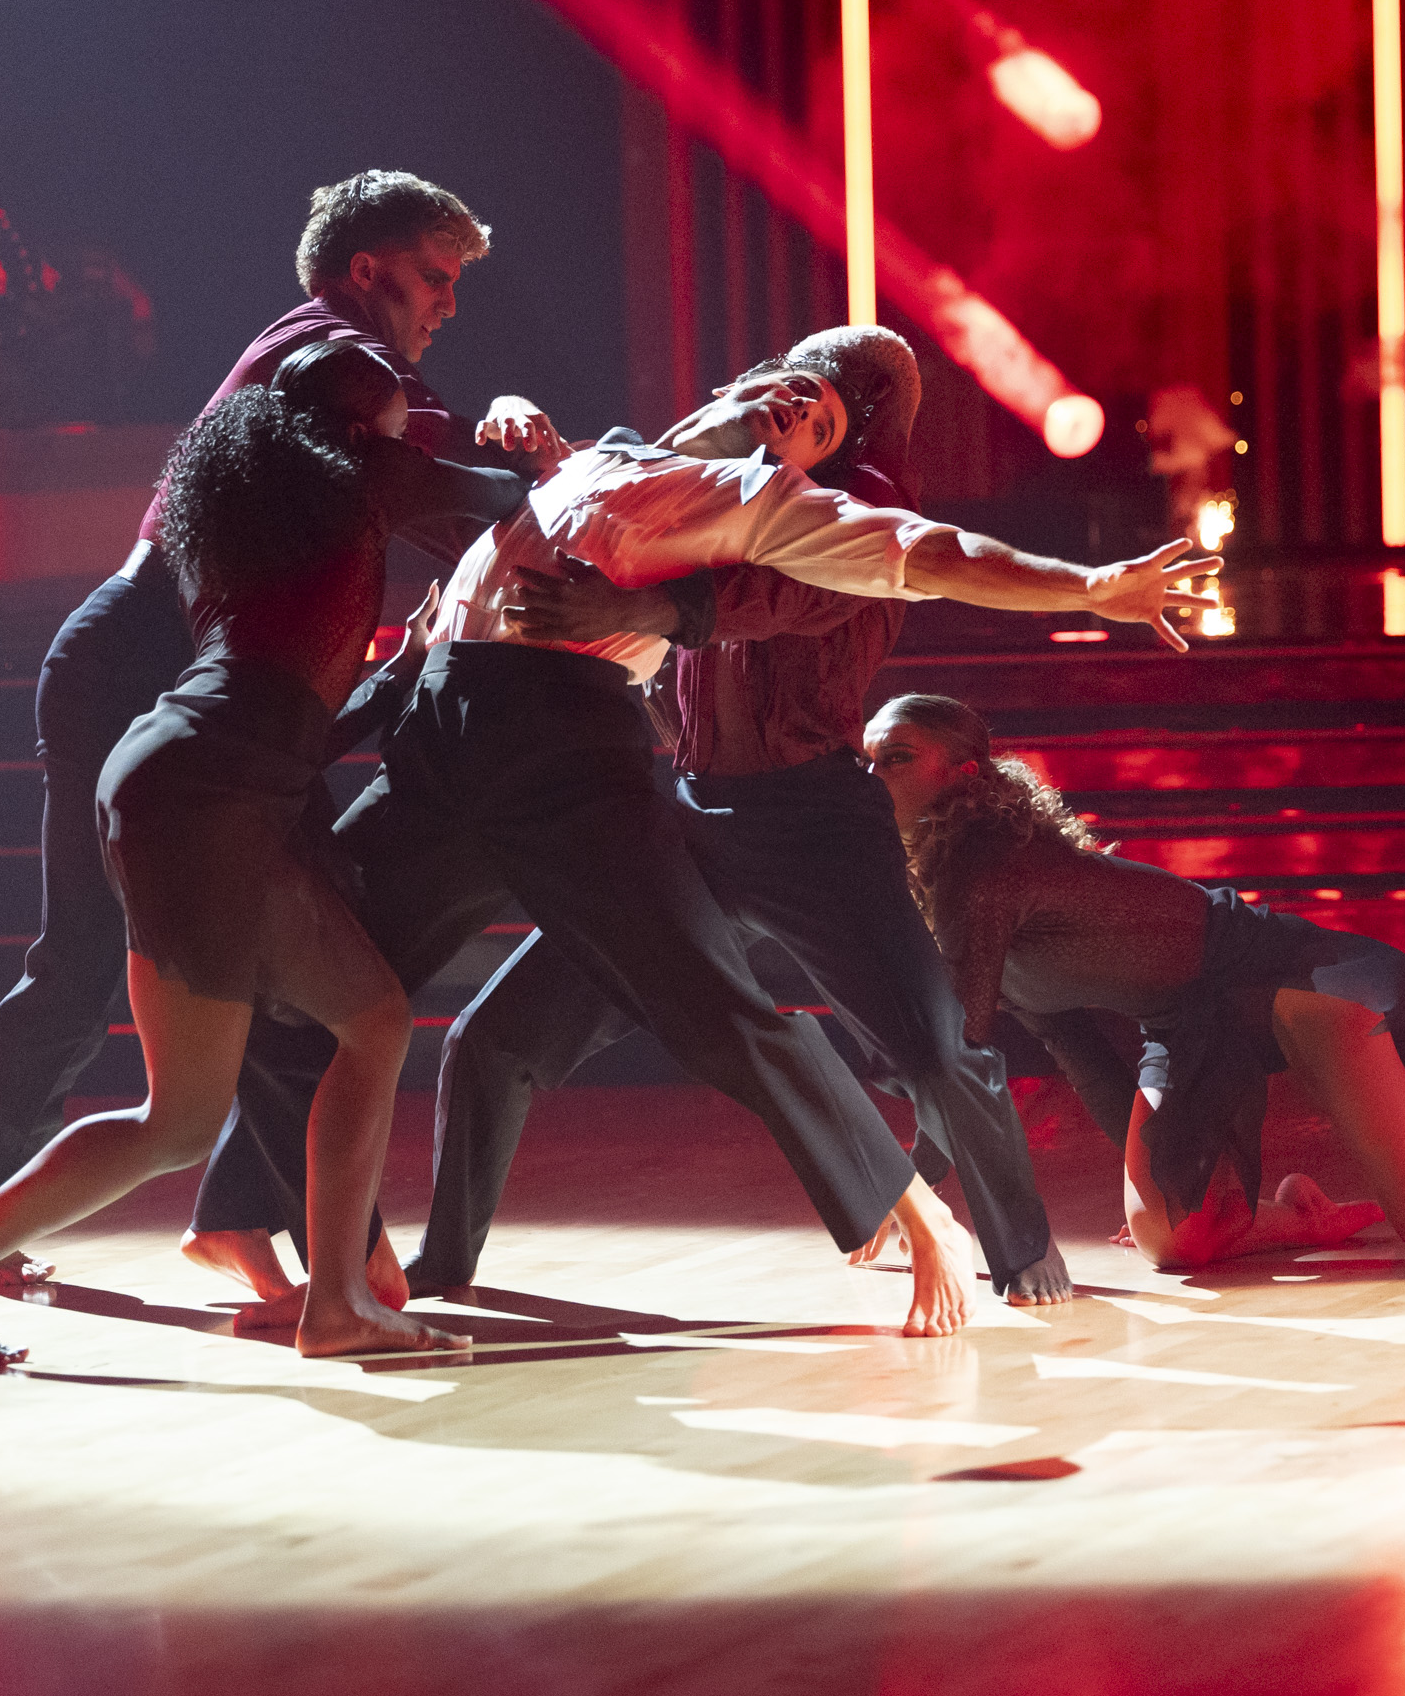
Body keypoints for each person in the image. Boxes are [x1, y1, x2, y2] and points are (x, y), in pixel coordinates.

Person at [191, 351, 1219, 1336]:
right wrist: (514, 429)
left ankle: (926, 1215)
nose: (793, 412)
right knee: (307, 998)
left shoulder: (766, 505)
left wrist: (1092, 588)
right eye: (787, 388)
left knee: (755, 1012)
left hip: (613, 766)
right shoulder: (586, 455)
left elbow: (929, 557)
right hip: (455, 742)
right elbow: (468, 495)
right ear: (732, 384)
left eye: (818, 422)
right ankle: (357, 1263)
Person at [0, 170, 582, 1299]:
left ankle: (259, 1228)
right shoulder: (332, 359)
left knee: (297, 965)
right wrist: (546, 490)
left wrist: (511, 432)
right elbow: (409, 485)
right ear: (366, 271)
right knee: (101, 956)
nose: (448, 303)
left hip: (208, 684)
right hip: (155, 670)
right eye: (433, 276)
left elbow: (426, 454)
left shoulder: (346, 360)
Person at [401, 327, 1075, 1307]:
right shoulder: (716, 482)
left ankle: (1020, 1253)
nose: (793, 409)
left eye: (826, 403)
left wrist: (660, 610)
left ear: (863, 420)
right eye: (788, 390)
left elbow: (777, 600)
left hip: (810, 819)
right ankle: (445, 1264)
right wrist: (528, 448)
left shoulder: (864, 512)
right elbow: (589, 508)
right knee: (495, 1036)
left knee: (933, 1050)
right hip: (686, 811)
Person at [864, 693, 1405, 1269]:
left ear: (964, 777)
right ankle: (1304, 1216)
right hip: (1189, 1021)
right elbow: (1074, 1048)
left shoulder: (989, 871)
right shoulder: (946, 892)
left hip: (1290, 980)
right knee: (1175, 1245)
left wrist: (907, 1191)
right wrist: (1162, 1182)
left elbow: (956, 1051)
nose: (871, 778)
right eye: (863, 764)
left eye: (894, 757)